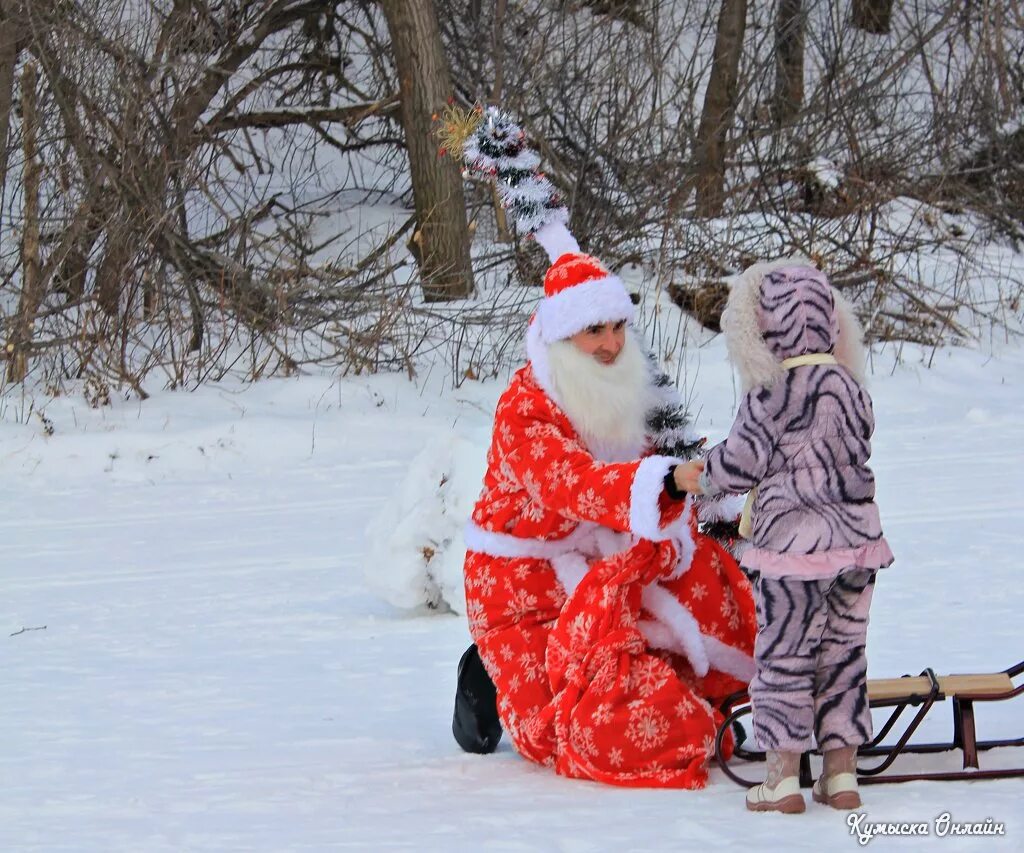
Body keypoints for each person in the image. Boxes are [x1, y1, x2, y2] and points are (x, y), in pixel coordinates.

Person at [455, 227, 758, 789]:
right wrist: (660, 486)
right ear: (563, 337)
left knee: (708, 585)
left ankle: (752, 692)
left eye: (618, 327)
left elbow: (652, 475)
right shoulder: (525, 408)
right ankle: (486, 673)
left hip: (607, 556)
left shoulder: (621, 388)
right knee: (569, 719)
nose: (611, 344)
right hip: (526, 577)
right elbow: (568, 482)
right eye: (594, 330)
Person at [687, 260, 894, 813]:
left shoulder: (771, 391)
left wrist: (698, 475)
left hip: (792, 553)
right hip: (858, 542)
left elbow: (739, 464)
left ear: (761, 326)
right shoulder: (849, 385)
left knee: (785, 656)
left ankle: (781, 779)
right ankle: (841, 776)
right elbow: (860, 443)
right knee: (844, 654)